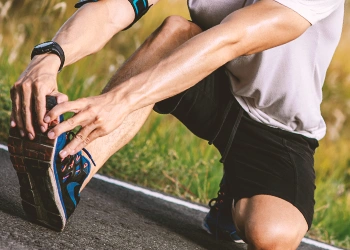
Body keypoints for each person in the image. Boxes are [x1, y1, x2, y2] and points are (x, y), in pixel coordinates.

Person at [7, 0, 344, 249]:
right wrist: (49, 56)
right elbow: (112, 8)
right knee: (176, 31)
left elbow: (233, 38)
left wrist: (120, 100)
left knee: (270, 236)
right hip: (209, 80)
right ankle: (72, 165)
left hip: (277, 126)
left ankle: (235, 196)